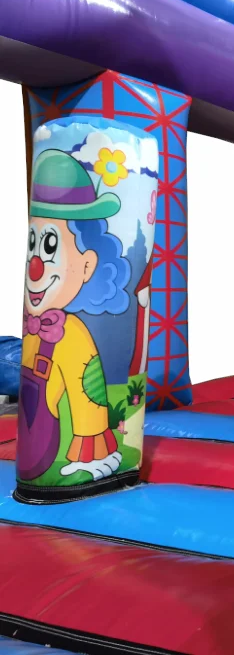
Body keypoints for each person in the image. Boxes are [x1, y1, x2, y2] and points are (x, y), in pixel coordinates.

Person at [19, 149, 130, 482]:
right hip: (35, 444)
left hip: (50, 450)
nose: (36, 266)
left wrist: (90, 451)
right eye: (34, 245)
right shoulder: (39, 328)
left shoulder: (73, 335)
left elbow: (88, 396)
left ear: (86, 265)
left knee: (86, 386)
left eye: (50, 246)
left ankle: (91, 456)